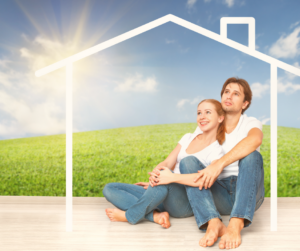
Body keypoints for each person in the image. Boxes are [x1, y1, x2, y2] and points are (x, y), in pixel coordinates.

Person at [150, 77, 264, 249]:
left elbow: (255, 140)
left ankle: (236, 223)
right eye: (226, 91)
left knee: (252, 156)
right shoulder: (210, 123)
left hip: (247, 192)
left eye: (236, 94)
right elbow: (185, 156)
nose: (229, 96)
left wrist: (219, 164)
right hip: (216, 191)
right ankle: (213, 221)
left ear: (245, 104)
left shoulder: (250, 123)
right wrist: (161, 176)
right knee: (188, 161)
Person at [103, 99, 226, 229]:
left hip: (183, 203)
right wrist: (156, 174)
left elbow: (205, 181)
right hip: (164, 189)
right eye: (199, 113)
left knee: (163, 181)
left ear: (220, 118)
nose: (202, 117)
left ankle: (130, 216)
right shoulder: (187, 137)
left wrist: (170, 178)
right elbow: (167, 162)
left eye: (208, 112)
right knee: (110, 189)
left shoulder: (216, 151)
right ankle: (156, 216)